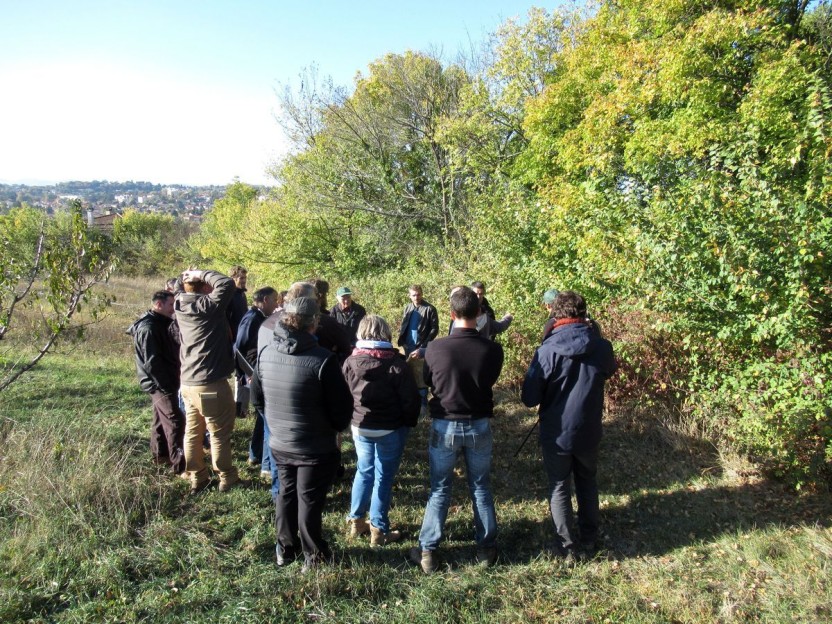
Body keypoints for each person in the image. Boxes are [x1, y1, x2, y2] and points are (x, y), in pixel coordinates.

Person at [250, 289, 353, 571]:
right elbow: (342, 410)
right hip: (314, 446)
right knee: (308, 498)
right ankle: (314, 555)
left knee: (286, 493)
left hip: (280, 441)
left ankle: (285, 548)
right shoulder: (322, 360)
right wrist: (332, 429)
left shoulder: (266, 352)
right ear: (313, 323)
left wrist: (276, 423)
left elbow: (256, 398)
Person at [409, 287, 504, 573]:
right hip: (478, 424)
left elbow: (428, 380)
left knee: (439, 489)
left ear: (451, 314)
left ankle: (428, 551)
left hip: (445, 424)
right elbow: (490, 379)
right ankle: (486, 548)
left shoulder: (436, 348)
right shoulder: (492, 350)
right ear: (479, 313)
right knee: (480, 487)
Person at [520, 290, 617, 561]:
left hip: (556, 432)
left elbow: (529, 398)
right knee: (587, 480)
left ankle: (567, 545)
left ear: (555, 314)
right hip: (588, 429)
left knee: (560, 485)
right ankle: (589, 536)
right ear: (584, 313)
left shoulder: (547, 350)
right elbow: (609, 369)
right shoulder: (601, 346)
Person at [342, 315, 420, 547]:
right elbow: (410, 400)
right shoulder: (396, 364)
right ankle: (379, 529)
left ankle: (356, 521)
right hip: (389, 428)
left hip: (360, 426)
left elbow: (344, 395)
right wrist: (408, 423)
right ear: (385, 333)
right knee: (383, 478)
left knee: (364, 471)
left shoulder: (349, 362)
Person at [175, 269, 242, 495]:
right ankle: (227, 477)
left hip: (187, 382)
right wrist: (200, 272)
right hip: (209, 383)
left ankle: (197, 477)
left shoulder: (179, 303)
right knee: (218, 432)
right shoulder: (207, 307)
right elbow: (226, 284)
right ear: (204, 287)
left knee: (193, 431)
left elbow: (180, 287)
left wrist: (187, 276)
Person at [127, 290, 185, 475]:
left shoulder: (162, 323)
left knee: (160, 420)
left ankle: (160, 456)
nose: (173, 309)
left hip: (166, 379)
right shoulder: (148, 328)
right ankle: (180, 466)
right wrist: (166, 386)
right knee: (175, 421)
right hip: (160, 383)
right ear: (159, 305)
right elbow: (152, 363)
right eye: (170, 305)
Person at [234, 287, 279, 475]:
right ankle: (267, 466)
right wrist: (248, 372)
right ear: (266, 299)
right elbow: (239, 347)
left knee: (262, 419)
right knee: (267, 418)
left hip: (259, 372)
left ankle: (255, 454)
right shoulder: (252, 318)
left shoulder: (260, 317)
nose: (277, 304)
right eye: (275, 300)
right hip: (256, 374)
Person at [398, 284, 439, 410]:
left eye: (418, 294)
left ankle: (423, 404)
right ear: (409, 296)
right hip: (408, 346)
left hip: (421, 347)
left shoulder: (430, 309)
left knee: (421, 374)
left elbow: (434, 329)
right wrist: (403, 342)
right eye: (414, 295)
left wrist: (424, 345)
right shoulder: (408, 308)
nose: (416, 297)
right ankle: (412, 401)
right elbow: (404, 325)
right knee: (409, 374)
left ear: (422, 293)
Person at [228, 265, 249, 417]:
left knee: (243, 373)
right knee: (240, 373)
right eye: (241, 278)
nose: (243, 281)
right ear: (233, 278)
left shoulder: (241, 295)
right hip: (234, 341)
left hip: (243, 339)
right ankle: (239, 409)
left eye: (245, 278)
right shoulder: (230, 296)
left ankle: (242, 408)